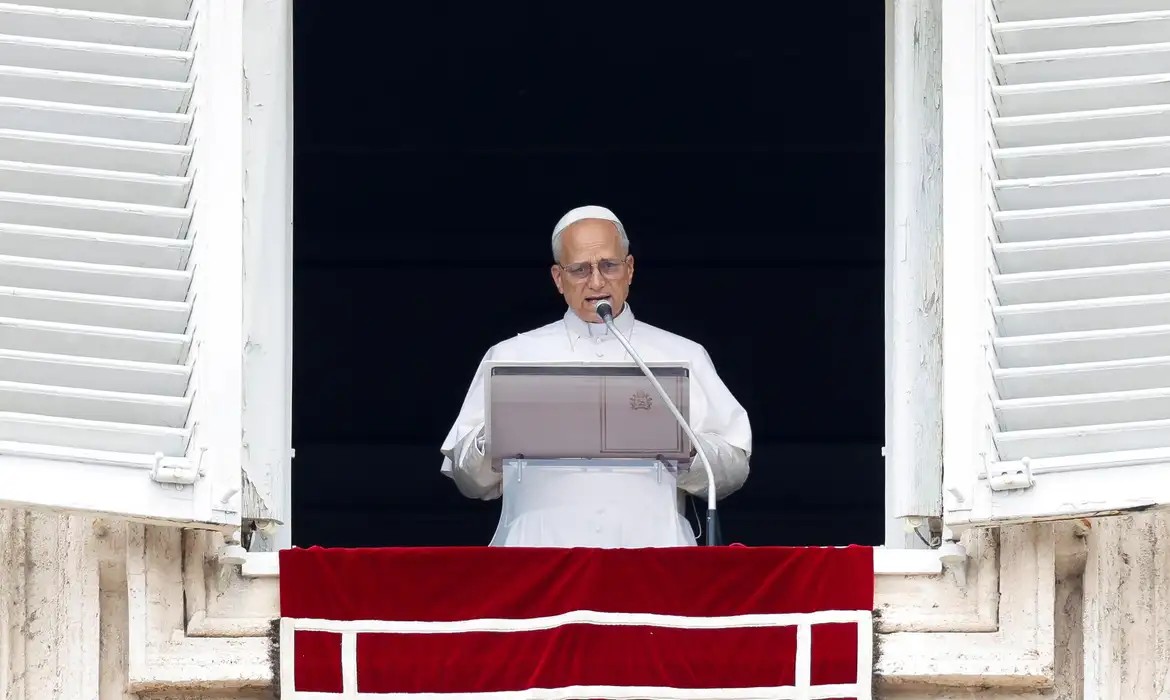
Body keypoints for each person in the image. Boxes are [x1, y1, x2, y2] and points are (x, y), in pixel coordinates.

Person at [439, 205, 751, 546]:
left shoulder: (683, 354)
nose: (597, 281)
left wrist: (685, 448)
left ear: (629, 269)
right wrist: (496, 439)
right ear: (559, 278)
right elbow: (469, 482)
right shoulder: (511, 356)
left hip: (654, 554)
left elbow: (733, 470)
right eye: (580, 270)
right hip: (538, 552)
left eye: (609, 265)